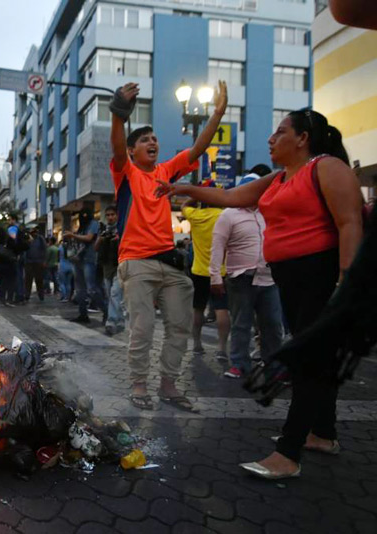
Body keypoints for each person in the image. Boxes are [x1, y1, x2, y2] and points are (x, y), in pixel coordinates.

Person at [155, 108, 362, 479]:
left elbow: (349, 223)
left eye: (280, 132)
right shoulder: (281, 178)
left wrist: (344, 284)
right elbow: (231, 197)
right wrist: (183, 188)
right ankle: (323, 434)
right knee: (316, 354)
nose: (271, 139)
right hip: (291, 279)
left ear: (302, 138)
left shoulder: (326, 167)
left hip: (319, 275)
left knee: (307, 360)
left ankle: (288, 453)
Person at [110, 81, 228, 412]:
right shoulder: (127, 172)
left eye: (155, 139)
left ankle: (168, 385)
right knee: (142, 328)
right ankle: (138, 385)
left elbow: (197, 150)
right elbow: (118, 148)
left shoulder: (166, 170)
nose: (153, 142)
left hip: (169, 264)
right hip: (137, 262)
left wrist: (218, 112)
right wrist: (119, 114)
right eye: (145, 139)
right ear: (134, 151)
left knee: (180, 326)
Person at [209, 170, 283, 379]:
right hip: (241, 279)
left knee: (272, 325)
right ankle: (239, 364)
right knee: (241, 323)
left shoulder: (268, 213)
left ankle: (274, 366)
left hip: (269, 278)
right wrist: (215, 277)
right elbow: (217, 247)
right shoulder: (228, 215)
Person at [182, 197, 230, 361]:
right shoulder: (225, 215)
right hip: (222, 271)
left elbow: (183, 206)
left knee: (198, 308)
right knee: (222, 309)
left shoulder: (196, 214)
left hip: (199, 271)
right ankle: (222, 348)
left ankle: (197, 344)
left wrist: (196, 195)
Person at [63, 207, 102, 323]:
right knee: (80, 290)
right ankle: (83, 314)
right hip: (79, 260)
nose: (82, 218)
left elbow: (89, 238)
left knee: (91, 289)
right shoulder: (82, 227)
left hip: (89, 260)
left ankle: (106, 311)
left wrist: (72, 235)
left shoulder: (94, 224)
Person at [95, 205, 125, 336]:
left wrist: (120, 239)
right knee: (111, 295)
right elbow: (96, 248)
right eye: (108, 215)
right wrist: (101, 239)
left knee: (115, 293)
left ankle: (111, 322)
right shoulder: (103, 230)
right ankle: (120, 321)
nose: (110, 217)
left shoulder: (122, 229)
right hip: (106, 266)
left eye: (112, 214)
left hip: (119, 265)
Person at [0, 227, 23, 307]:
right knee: (11, 282)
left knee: (2, 282)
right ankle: (9, 299)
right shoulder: (9, 240)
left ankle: (2, 299)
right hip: (9, 263)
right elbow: (16, 249)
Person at [24, 226, 47, 302]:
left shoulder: (40, 239)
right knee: (28, 280)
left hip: (38, 262)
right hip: (29, 262)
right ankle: (27, 295)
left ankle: (41, 295)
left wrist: (44, 261)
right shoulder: (28, 239)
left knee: (39, 280)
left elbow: (44, 249)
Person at [57, 238, 74, 302]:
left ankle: (63, 297)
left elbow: (58, 257)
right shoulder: (71, 247)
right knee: (68, 283)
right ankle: (68, 297)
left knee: (62, 283)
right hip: (70, 267)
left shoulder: (60, 247)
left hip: (62, 266)